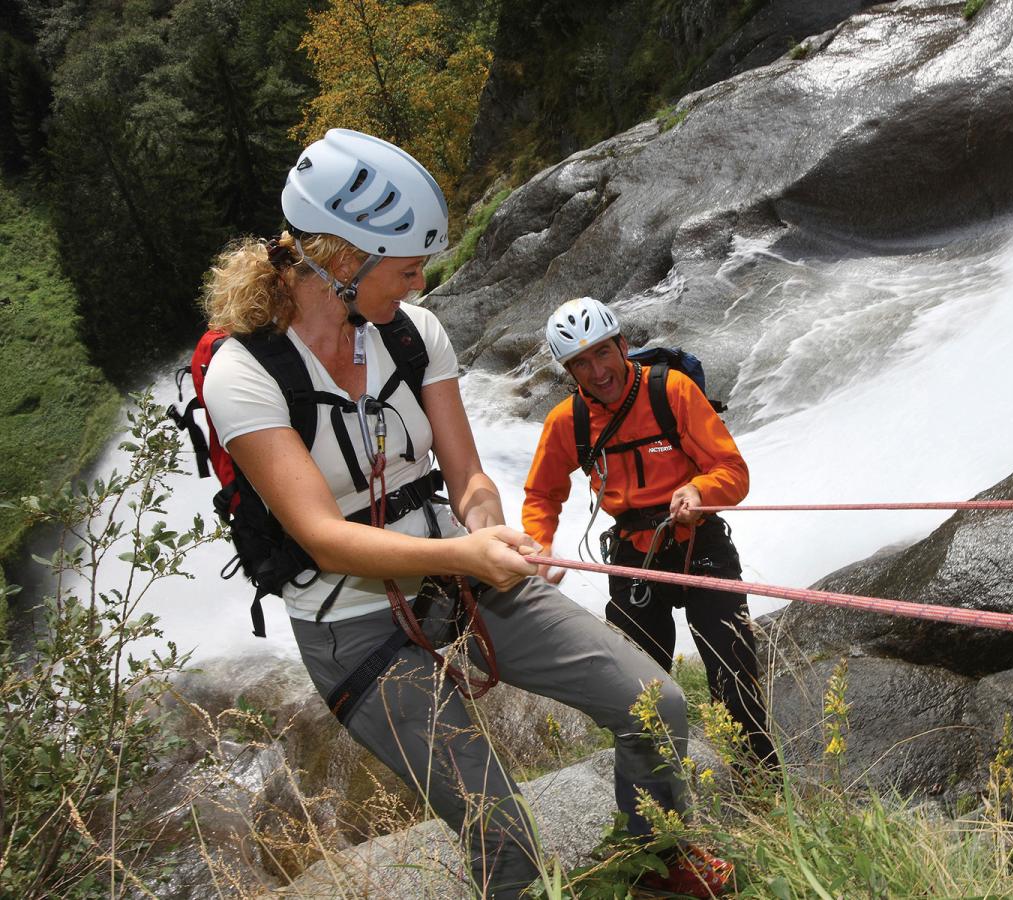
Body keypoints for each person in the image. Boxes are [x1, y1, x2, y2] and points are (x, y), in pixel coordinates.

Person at [200, 129, 722, 898]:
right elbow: (322, 537)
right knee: (501, 832)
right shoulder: (244, 375)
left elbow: (468, 474)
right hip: (352, 625)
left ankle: (656, 862)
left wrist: (485, 527)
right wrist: (466, 557)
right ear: (343, 259)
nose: (416, 286)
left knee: (656, 704)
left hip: (458, 579)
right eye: (406, 269)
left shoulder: (413, 336)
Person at [523, 297, 779, 772]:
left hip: (699, 544)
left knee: (734, 680)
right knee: (637, 694)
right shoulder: (568, 422)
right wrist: (539, 544)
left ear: (622, 345)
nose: (598, 371)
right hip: (631, 558)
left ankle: (762, 797)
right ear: (569, 372)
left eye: (602, 352)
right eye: (581, 363)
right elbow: (541, 494)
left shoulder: (671, 391)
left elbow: (732, 470)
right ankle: (660, 808)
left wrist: (700, 489)